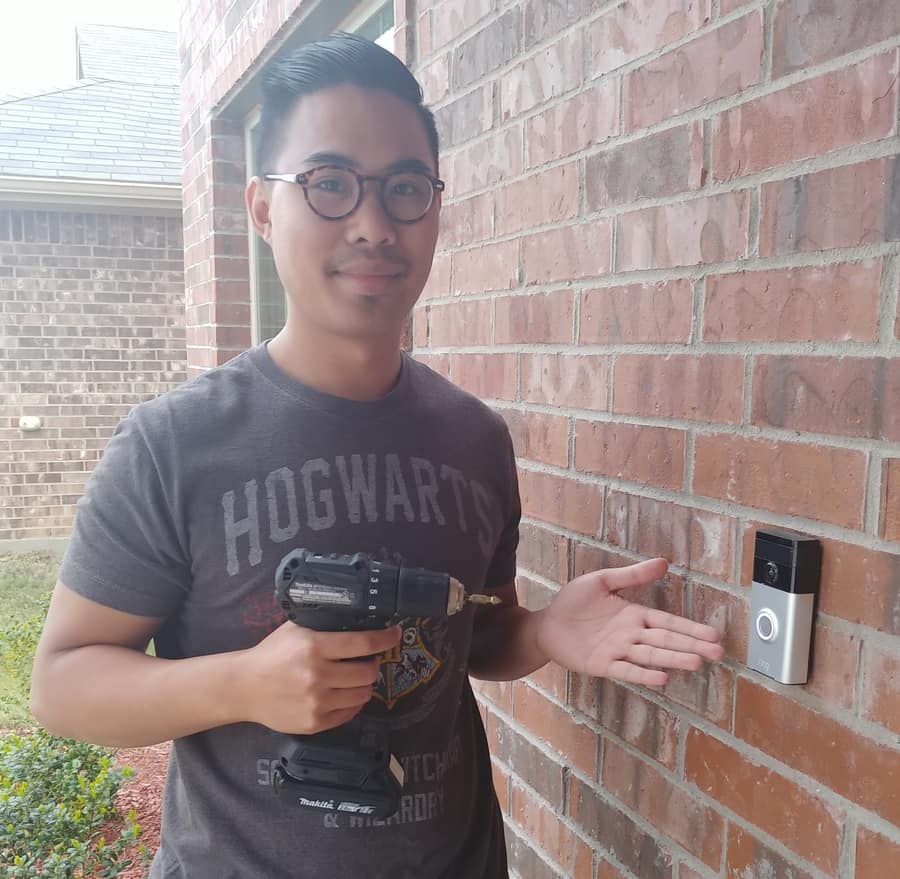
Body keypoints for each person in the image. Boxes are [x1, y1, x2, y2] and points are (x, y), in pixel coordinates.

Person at [30, 33, 725, 879]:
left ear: (434, 207)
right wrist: (246, 684)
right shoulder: (174, 446)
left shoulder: (475, 439)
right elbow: (61, 683)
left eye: (404, 189)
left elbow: (473, 634)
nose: (372, 223)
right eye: (328, 184)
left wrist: (542, 629)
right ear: (261, 207)